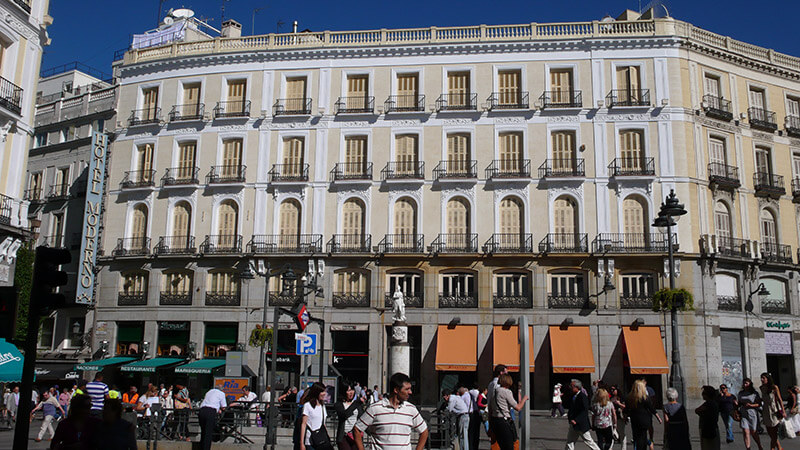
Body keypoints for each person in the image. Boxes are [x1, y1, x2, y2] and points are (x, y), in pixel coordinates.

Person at [354, 372, 428, 450]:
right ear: (396, 390)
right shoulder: (375, 408)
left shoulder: (411, 409)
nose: (410, 392)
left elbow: (424, 431)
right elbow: (357, 429)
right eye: (407, 389)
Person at [488, 373, 528, 450]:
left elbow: (490, 409)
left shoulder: (494, 392)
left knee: (500, 445)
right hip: (504, 422)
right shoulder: (506, 392)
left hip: (495, 421)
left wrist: (490, 425)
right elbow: (518, 407)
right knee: (510, 445)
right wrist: (524, 399)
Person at [565, 379, 601, 450]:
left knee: (589, 441)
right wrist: (570, 419)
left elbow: (584, 410)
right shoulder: (573, 396)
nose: (570, 388)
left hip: (581, 424)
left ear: (576, 387)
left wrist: (576, 420)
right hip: (573, 424)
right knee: (570, 442)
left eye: (572, 386)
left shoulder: (582, 396)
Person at [626, 379, 662, 450]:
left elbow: (627, 409)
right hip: (645, 420)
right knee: (643, 436)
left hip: (635, 420)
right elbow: (652, 409)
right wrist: (658, 418)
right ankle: (647, 444)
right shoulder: (645, 398)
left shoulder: (630, 398)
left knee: (636, 437)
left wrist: (625, 416)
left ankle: (641, 446)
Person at [299, 382, 333, 450]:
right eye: (322, 391)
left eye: (324, 391)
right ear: (316, 392)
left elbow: (323, 424)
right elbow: (303, 424)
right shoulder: (307, 405)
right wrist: (301, 443)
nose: (324, 394)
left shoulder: (322, 406)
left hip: (322, 441)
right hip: (310, 441)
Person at [759, 372, 785, 450]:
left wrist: (783, 410)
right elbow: (763, 399)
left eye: (763, 378)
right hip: (766, 410)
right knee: (770, 432)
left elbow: (780, 399)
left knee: (774, 432)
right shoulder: (762, 388)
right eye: (761, 378)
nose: (762, 379)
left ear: (768, 379)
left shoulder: (774, 387)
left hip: (774, 410)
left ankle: (772, 448)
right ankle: (779, 448)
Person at [334, 382, 363, 450]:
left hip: (355, 436)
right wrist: (356, 403)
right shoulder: (339, 404)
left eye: (352, 390)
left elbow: (362, 418)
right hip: (344, 435)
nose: (351, 393)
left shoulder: (356, 404)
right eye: (348, 390)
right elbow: (344, 415)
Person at [737, 378, 764, 450]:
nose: (745, 385)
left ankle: (759, 445)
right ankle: (748, 448)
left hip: (752, 413)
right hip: (743, 413)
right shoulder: (741, 393)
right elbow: (739, 403)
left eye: (746, 383)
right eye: (744, 383)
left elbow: (759, 404)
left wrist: (751, 405)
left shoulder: (754, 393)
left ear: (750, 384)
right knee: (746, 432)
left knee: (753, 432)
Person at [696, 386, 721, 450]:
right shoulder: (712, 403)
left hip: (708, 428)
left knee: (708, 446)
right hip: (712, 427)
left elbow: (697, 410)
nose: (702, 395)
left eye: (704, 393)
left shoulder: (709, 404)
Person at [609, 385, 627, 450]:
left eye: (613, 390)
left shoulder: (621, 398)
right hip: (611, 418)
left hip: (620, 417)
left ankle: (623, 448)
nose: (612, 391)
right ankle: (610, 447)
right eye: (611, 389)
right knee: (612, 434)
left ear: (617, 390)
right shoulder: (610, 397)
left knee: (621, 433)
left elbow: (625, 407)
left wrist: (619, 404)